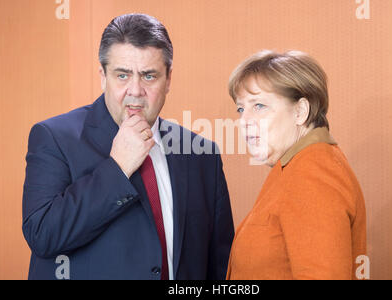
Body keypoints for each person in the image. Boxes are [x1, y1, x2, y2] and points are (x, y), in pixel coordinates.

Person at [22, 13, 234, 280]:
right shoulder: (53, 137)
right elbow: (43, 235)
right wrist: (118, 168)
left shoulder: (201, 154)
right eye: (122, 75)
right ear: (103, 76)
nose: (135, 90)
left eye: (149, 76)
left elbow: (219, 264)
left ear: (168, 79)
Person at [226, 50, 367, 280]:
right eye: (241, 109)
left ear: (301, 111)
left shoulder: (313, 172)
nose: (244, 121)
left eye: (259, 106)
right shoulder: (295, 166)